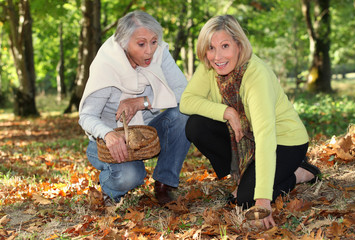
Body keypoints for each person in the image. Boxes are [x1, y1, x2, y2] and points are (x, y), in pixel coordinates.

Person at [179, 15, 321, 229]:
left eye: (225, 45)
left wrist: (263, 200)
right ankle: (247, 175)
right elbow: (186, 102)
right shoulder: (210, 67)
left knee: (246, 201)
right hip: (246, 139)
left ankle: (299, 173)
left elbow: (265, 138)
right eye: (210, 48)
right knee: (196, 125)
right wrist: (226, 111)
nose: (217, 56)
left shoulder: (256, 76)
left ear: (239, 45)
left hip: (284, 142)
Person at [79, 11, 190, 206]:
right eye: (141, 44)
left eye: (154, 41)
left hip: (148, 136)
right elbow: (86, 116)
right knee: (132, 176)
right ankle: (109, 188)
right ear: (123, 42)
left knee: (184, 113)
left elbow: (185, 93)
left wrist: (141, 102)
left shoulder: (160, 54)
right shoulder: (106, 64)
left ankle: (164, 184)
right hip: (109, 141)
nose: (150, 51)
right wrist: (108, 134)